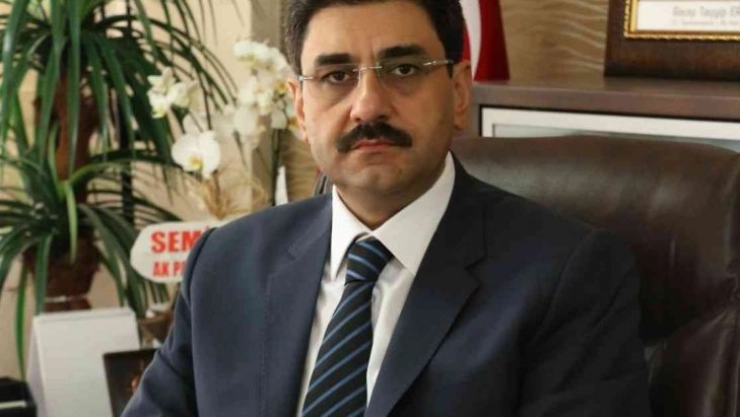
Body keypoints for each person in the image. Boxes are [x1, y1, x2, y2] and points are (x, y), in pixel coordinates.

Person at [123, 0, 651, 416]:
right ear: (301, 108)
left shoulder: (569, 277)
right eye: (336, 76)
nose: (369, 105)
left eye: (403, 69)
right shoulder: (225, 263)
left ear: (459, 93)